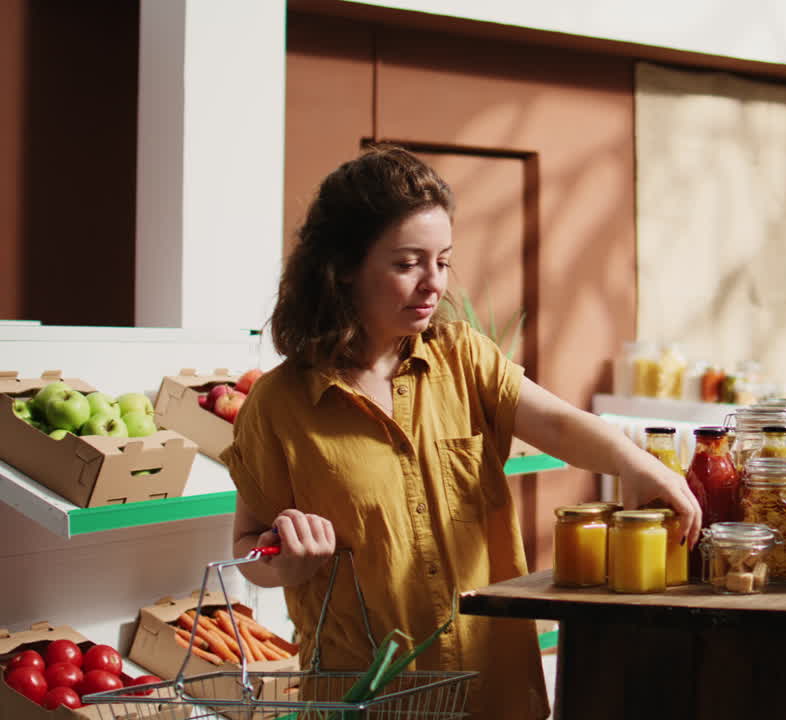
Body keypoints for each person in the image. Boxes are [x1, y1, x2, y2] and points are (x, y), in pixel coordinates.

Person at [221, 145, 701, 720]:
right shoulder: (279, 405)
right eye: (407, 264)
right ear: (344, 265)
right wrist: (282, 565)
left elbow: (553, 421)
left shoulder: (462, 359)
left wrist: (633, 461)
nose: (433, 284)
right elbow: (247, 548)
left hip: (489, 687)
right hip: (366, 702)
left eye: (443, 261)